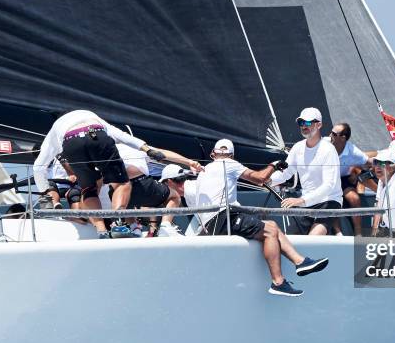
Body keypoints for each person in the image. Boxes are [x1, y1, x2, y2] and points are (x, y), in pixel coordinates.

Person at [170, 140, 328, 297]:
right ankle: (278, 283)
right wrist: (274, 165)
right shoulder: (230, 163)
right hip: (224, 218)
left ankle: (300, 262)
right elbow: (260, 178)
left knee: (271, 224)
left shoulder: (203, 172)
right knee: (269, 232)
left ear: (213, 154)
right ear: (232, 155)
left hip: (213, 223)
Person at [33, 110, 172, 239]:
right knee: (122, 183)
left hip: (71, 143)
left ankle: (101, 231)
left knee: (88, 189)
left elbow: (38, 168)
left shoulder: (56, 129)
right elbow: (121, 135)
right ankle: (118, 225)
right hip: (97, 135)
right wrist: (147, 149)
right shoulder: (90, 115)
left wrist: (45, 192)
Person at [270, 107, 343, 235]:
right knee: (289, 241)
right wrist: (265, 179)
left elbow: (329, 185)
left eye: (308, 123)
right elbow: (286, 173)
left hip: (329, 201)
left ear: (319, 124)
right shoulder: (297, 148)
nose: (304, 126)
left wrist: (301, 200)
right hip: (307, 202)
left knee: (313, 238)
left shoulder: (328, 149)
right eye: (301, 123)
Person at [113, 144, 201, 237]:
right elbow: (163, 153)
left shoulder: (106, 149)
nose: (164, 185)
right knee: (174, 196)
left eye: (164, 183)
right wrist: (189, 162)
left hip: (117, 188)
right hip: (140, 183)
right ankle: (165, 227)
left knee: (125, 201)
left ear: (169, 180)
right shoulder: (133, 145)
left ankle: (135, 228)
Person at [327, 122, 372, 236]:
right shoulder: (323, 144)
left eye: (333, 133)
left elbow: (368, 163)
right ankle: (338, 232)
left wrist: (357, 174)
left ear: (343, 138)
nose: (329, 135)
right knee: (333, 200)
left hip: (344, 179)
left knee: (355, 199)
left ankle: (358, 233)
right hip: (327, 181)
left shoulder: (352, 150)